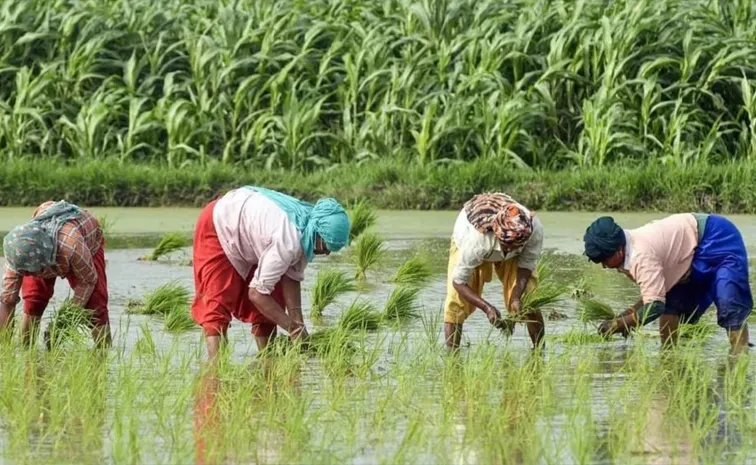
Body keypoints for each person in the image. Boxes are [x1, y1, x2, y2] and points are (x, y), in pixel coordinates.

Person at [191, 186, 350, 360]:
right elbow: (257, 294)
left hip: (252, 233)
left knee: (274, 298)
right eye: (325, 246)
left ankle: (268, 359)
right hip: (220, 222)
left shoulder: (307, 230)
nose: (326, 253)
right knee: (218, 296)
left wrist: (299, 325)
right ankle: (215, 365)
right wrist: (293, 329)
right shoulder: (287, 240)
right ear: (317, 233)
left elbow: (291, 276)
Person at [583, 213, 752, 355]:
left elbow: (655, 306)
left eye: (604, 259)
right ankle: (668, 356)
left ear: (618, 250)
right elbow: (656, 293)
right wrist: (626, 316)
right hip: (687, 252)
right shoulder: (625, 254)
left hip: (716, 236)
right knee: (671, 304)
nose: (604, 265)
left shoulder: (640, 256)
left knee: (729, 300)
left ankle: (740, 357)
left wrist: (620, 324)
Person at [0, 200, 111, 348]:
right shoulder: (18, 253)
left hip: (85, 237)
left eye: (32, 271)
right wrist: (3, 350)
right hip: (39, 246)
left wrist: (62, 324)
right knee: (34, 299)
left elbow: (88, 281)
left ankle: (104, 351)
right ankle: (26, 349)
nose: (27, 274)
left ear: (43, 262)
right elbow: (7, 300)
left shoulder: (72, 246)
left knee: (95, 305)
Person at [443, 192, 545, 351]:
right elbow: (459, 281)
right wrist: (487, 308)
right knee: (455, 302)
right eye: (509, 246)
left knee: (529, 299)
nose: (512, 249)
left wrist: (516, 296)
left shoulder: (533, 229)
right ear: (499, 237)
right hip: (471, 236)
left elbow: (526, 265)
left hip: (509, 243)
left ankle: (539, 352)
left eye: (517, 246)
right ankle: (452, 357)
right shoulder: (477, 240)